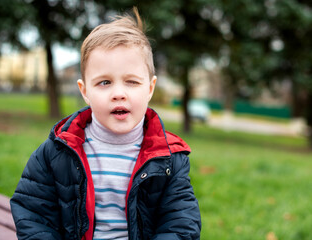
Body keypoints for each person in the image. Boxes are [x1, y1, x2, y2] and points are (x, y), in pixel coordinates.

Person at [10, 8, 201, 240]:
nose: (118, 93)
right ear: (85, 91)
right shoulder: (57, 151)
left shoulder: (169, 158)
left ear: (150, 88)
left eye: (131, 82)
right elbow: (32, 213)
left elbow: (181, 224)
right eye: (104, 83)